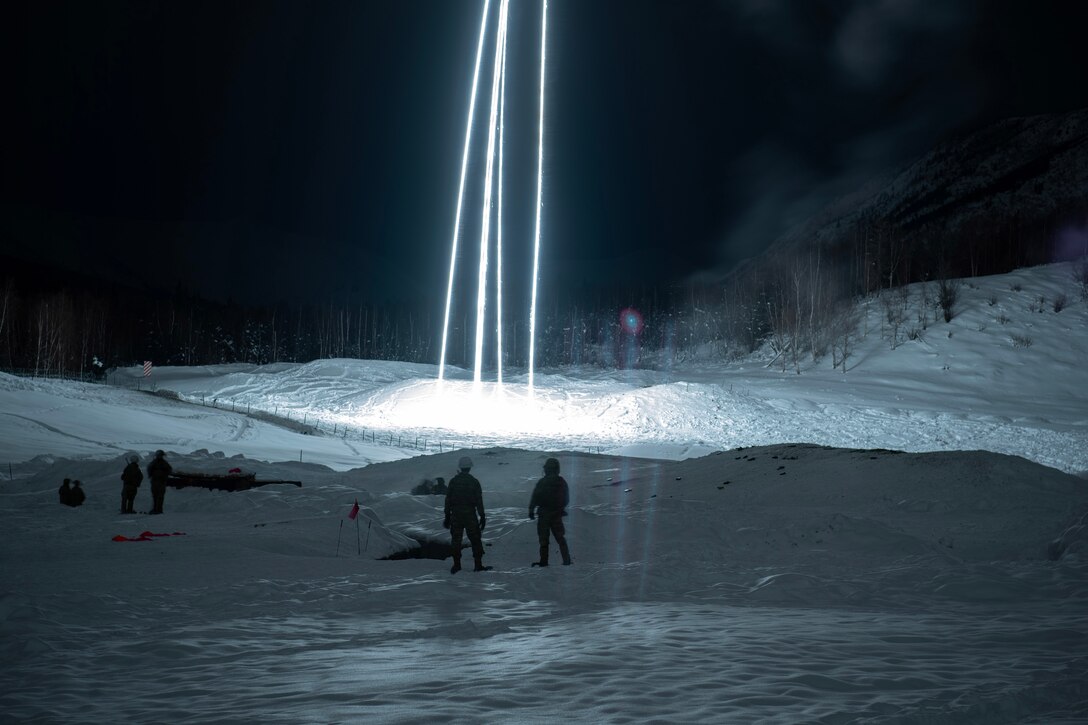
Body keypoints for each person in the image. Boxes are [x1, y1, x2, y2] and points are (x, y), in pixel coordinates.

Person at [443, 456, 488, 573]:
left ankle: (456, 565)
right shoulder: (474, 482)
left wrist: (447, 515)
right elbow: (479, 501)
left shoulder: (453, 482)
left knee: (456, 540)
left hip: (456, 515)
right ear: (469, 468)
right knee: (475, 540)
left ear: (460, 467)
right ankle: (478, 565)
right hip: (470, 515)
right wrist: (482, 516)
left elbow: (448, 500)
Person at [528, 457, 572, 566]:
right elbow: (566, 499)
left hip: (544, 515)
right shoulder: (561, 482)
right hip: (556, 514)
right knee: (560, 538)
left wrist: (531, 510)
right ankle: (566, 561)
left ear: (547, 469)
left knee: (544, 540)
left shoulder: (542, 482)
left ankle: (544, 562)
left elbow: (535, 497)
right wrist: (560, 508)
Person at [146, 450, 172, 515]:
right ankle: (158, 509)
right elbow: (169, 470)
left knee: (155, 496)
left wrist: (151, 475)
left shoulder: (153, 463)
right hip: (161, 482)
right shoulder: (165, 463)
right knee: (159, 496)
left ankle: (155, 509)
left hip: (155, 482)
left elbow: (149, 470)